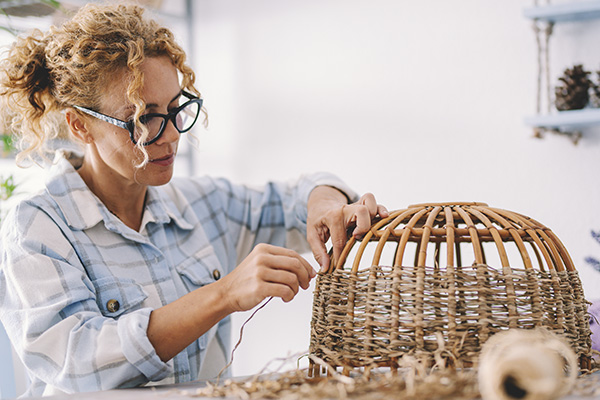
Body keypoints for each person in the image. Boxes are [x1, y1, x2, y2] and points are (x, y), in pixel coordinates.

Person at [0, 3, 387, 396]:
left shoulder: (201, 204)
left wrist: (324, 203)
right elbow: (77, 361)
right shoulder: (37, 229)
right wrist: (222, 295)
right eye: (143, 118)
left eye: (174, 109)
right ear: (80, 125)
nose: (170, 135)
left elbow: (301, 193)